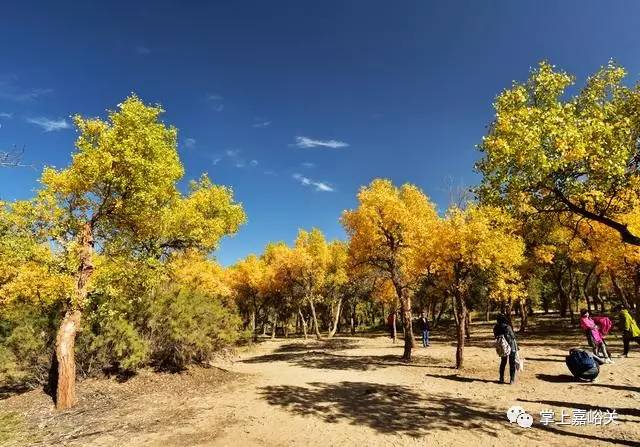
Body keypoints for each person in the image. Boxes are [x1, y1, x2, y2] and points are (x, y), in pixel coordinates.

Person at [493, 314, 518, 384]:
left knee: (503, 363)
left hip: (502, 347)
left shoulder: (495, 327)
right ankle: (512, 380)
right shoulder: (507, 327)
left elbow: (495, 337)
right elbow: (513, 337)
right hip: (511, 346)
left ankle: (501, 378)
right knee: (512, 363)